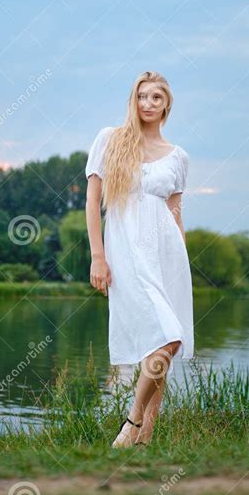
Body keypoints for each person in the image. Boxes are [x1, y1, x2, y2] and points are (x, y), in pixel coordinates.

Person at [85, 70, 194, 448]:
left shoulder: (178, 156)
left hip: (167, 255)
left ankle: (145, 438)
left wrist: (183, 265)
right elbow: (92, 201)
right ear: (133, 99)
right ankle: (132, 422)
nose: (148, 104)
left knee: (162, 342)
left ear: (166, 106)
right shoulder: (110, 140)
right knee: (168, 335)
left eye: (156, 98)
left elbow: (176, 212)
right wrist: (98, 256)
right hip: (126, 249)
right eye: (142, 96)